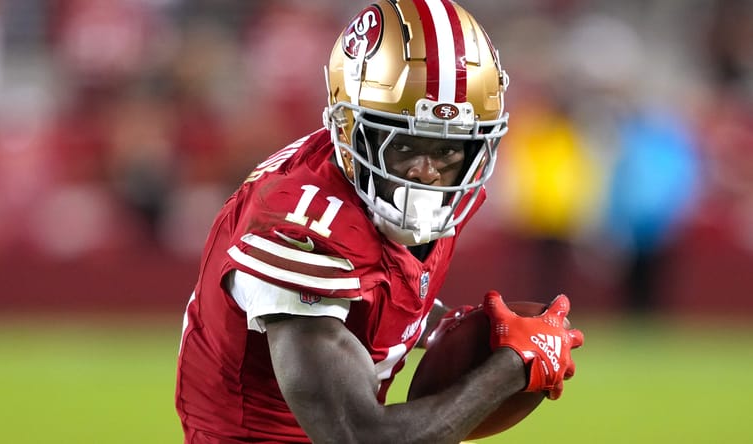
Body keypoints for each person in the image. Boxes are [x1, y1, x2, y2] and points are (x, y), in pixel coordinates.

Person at [175, 1, 584, 443]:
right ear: (350, 129)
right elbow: (358, 437)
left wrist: (441, 326)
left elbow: (375, 290)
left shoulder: (419, 188)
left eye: (448, 149)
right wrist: (512, 366)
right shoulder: (300, 228)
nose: (427, 173)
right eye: (405, 145)